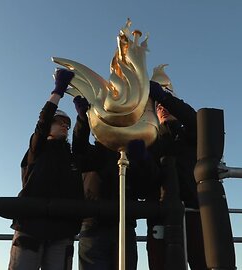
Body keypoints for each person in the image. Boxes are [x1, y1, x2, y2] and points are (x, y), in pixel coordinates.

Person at [72, 96, 159, 270]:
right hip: (93, 226)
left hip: (124, 227)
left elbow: (145, 188)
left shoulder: (129, 155)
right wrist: (83, 120)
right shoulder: (94, 153)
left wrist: (143, 159)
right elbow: (79, 150)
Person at [9, 69, 84, 270]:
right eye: (59, 122)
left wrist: (83, 116)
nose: (64, 127)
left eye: (67, 125)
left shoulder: (72, 159)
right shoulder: (37, 150)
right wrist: (58, 91)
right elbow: (41, 124)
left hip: (62, 232)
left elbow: (82, 140)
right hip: (30, 227)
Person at [146, 79, 207, 270]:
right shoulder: (151, 141)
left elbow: (195, 120)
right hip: (160, 215)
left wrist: (165, 97)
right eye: (159, 106)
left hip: (194, 213)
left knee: (204, 264)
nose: (163, 108)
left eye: (167, 105)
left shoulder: (191, 136)